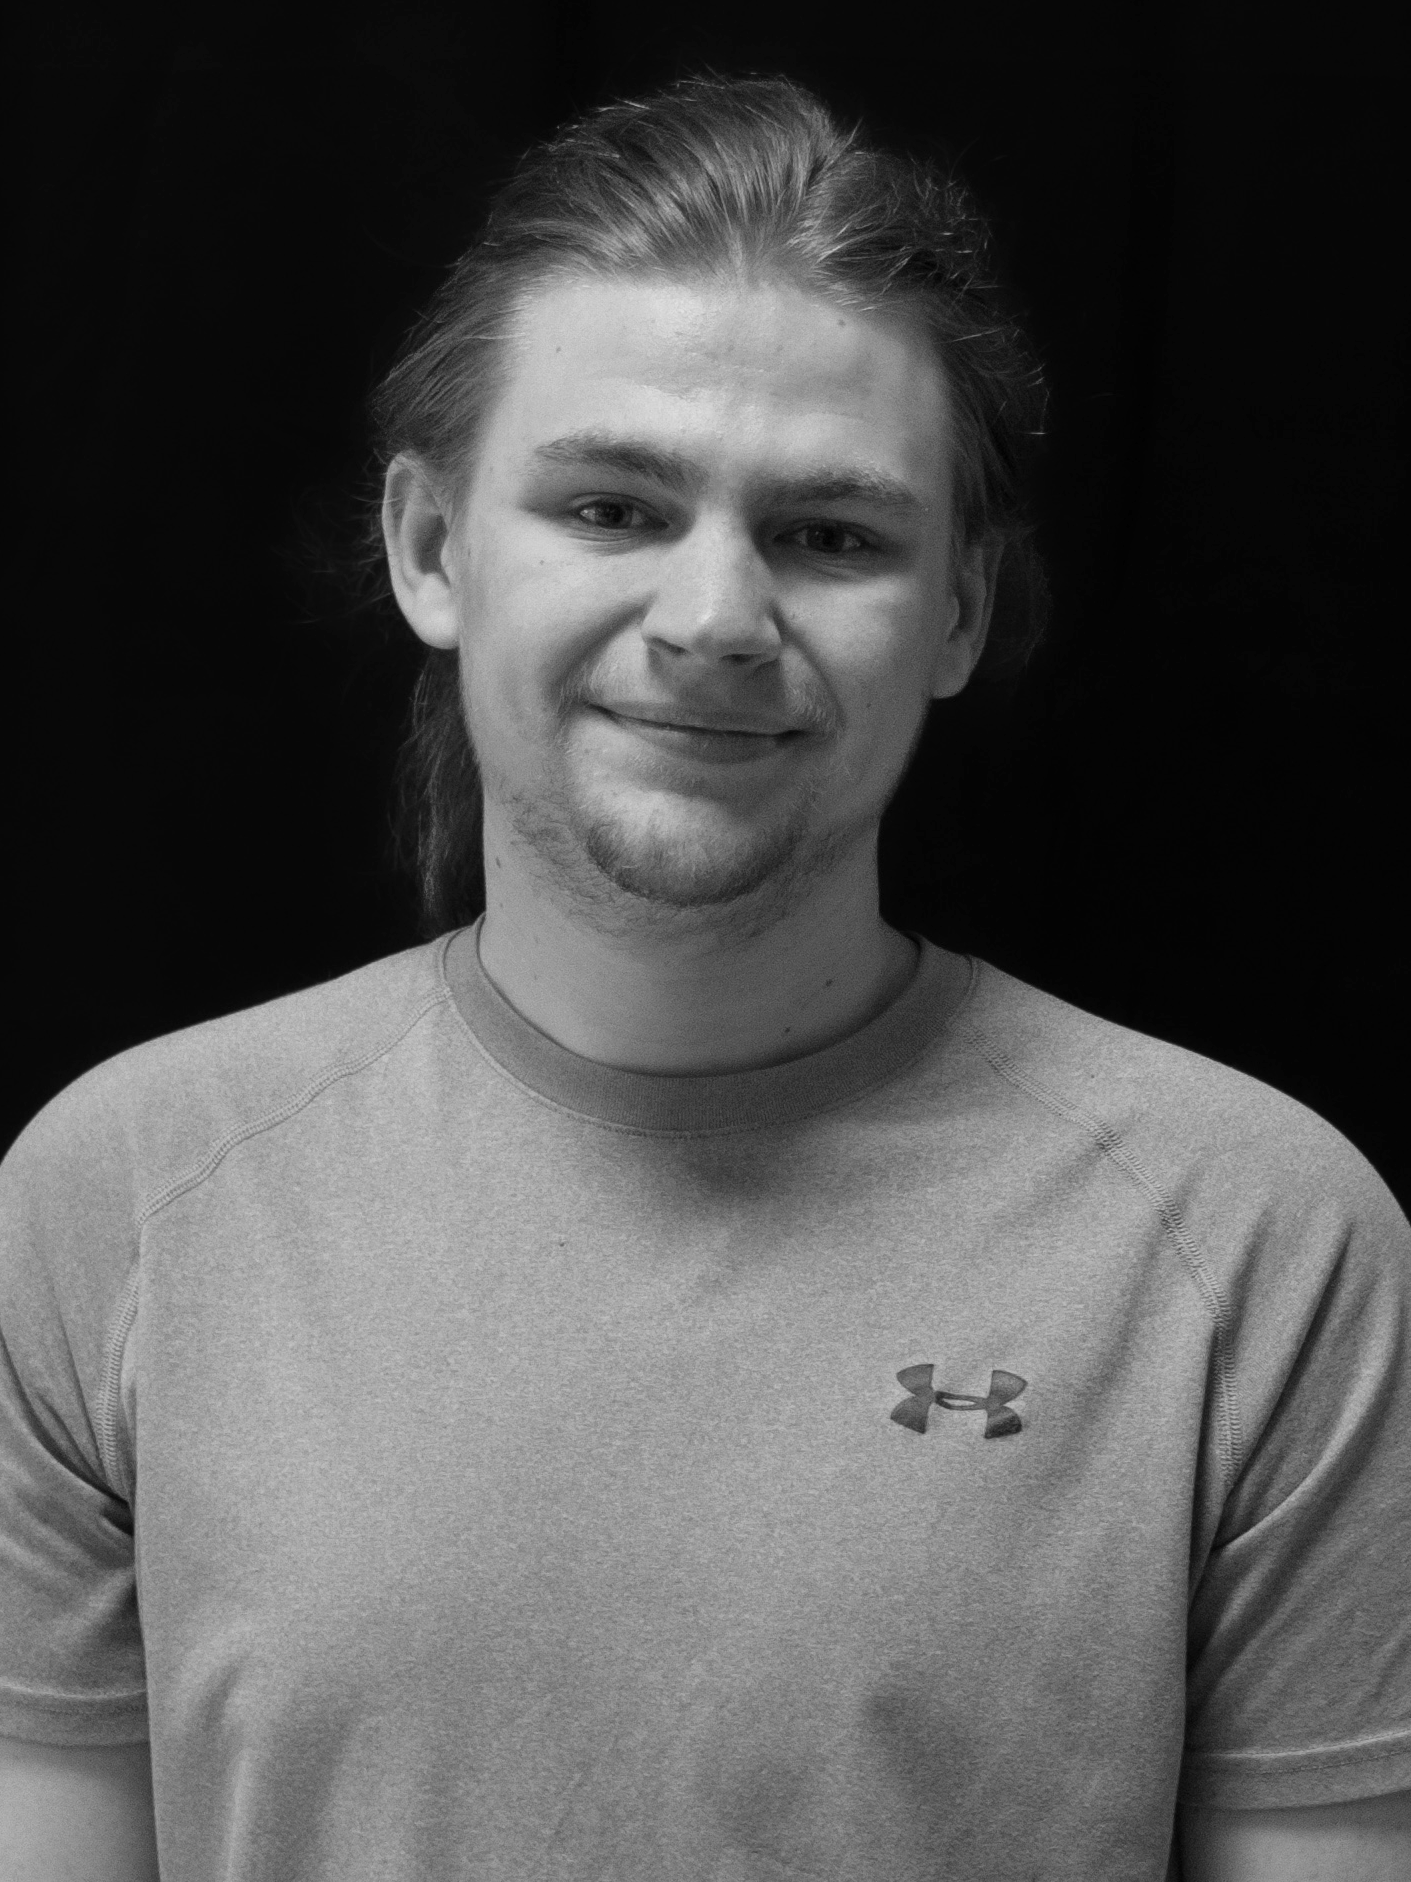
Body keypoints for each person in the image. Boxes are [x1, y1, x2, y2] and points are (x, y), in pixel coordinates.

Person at [1, 74, 1408, 1882]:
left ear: (960, 610)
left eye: (830, 535)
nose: (714, 616)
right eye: (610, 506)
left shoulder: (1263, 1242)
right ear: (431, 547)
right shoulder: (113, 1203)